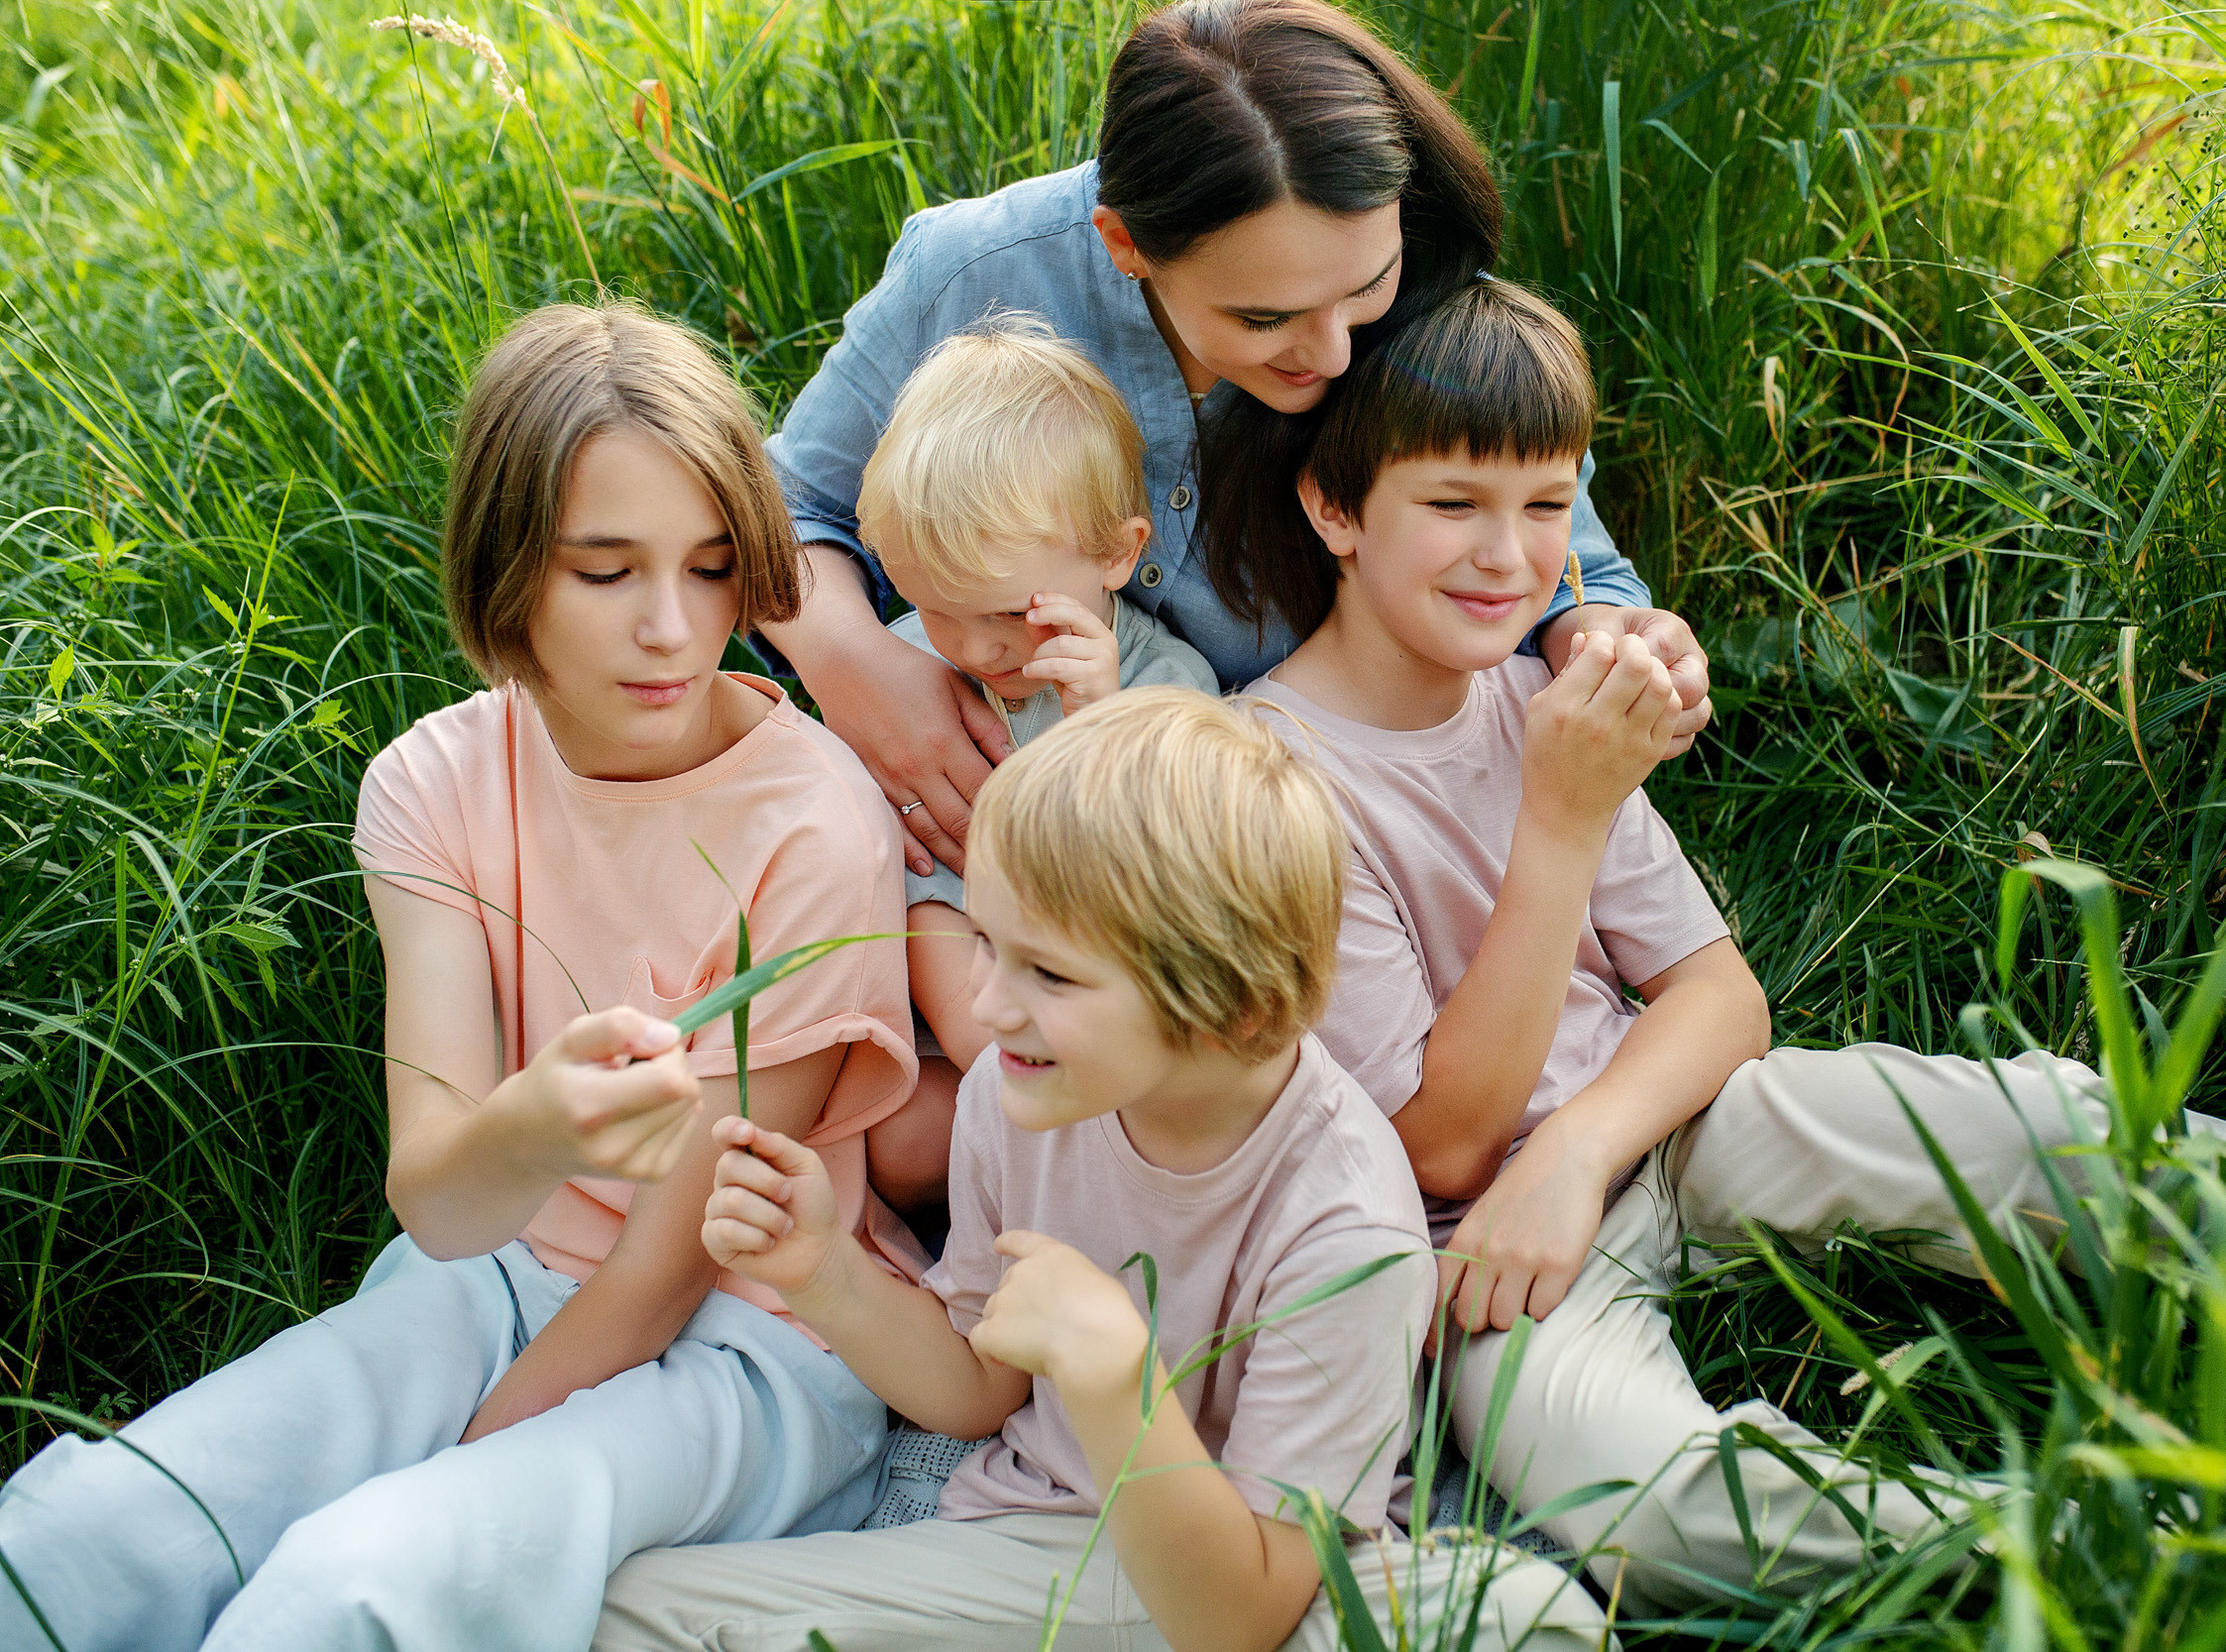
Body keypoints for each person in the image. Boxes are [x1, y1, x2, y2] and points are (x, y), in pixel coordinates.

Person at [1212, 275, 2226, 1613]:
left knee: (2028, 1114)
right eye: (1454, 505)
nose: (1508, 557)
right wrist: (1564, 823)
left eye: (1544, 506)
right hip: (1489, 1250)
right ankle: (2105, 1542)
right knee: (1629, 1493)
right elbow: (1445, 1144)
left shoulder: (1544, 693)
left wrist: (1583, 1144)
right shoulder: (1270, 774)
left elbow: (1718, 991)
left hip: (1658, 1123)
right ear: (1336, 508)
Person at [0, 302, 927, 1651]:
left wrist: (450, 1460)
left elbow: (670, 1271)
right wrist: (540, 1123)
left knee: (349, 1581)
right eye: (605, 572)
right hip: (493, 1273)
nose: (673, 627)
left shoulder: (814, 824)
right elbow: (437, 1201)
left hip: (758, 1346)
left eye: (712, 566)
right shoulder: (434, 780)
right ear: (510, 571)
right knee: (84, 1530)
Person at [593, 692, 1606, 1652]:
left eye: (1051, 973)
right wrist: (827, 1272)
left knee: (1526, 1617)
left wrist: (1115, 1377)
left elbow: (1244, 1612)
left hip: (1241, 1580)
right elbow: (979, 1385)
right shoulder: (1017, 1091)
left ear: (1239, 1007)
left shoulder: (1347, 1228)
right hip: (1035, 1551)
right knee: (633, 1608)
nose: (987, 1005)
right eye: (987, 944)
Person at [747, 0, 1715, 891]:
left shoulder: (1427, 287)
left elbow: (1562, 562)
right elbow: (783, 506)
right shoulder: (975, 270)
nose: (1335, 351)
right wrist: (854, 666)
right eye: (1266, 316)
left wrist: (1603, 641)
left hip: (1336, 794)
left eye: (1363, 288)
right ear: (1125, 245)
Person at [857, 314, 1217, 1076]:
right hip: (951, 933)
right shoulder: (910, 667)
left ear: (1120, 552)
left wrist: (1098, 724)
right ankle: (993, 1066)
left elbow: (1177, 867)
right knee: (922, 903)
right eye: (937, 609)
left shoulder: (1164, 684)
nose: (978, 649)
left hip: (1100, 952)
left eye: (1008, 612)